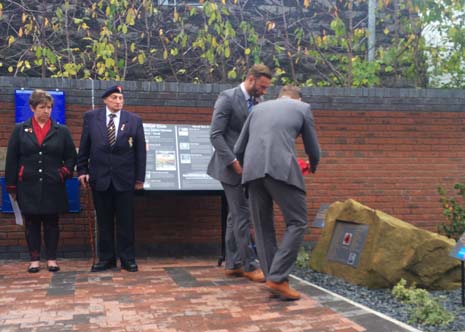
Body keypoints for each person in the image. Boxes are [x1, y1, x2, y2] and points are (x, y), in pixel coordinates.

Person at [234, 85, 321, 300]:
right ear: (298, 99)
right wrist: (314, 165)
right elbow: (313, 149)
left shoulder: (257, 109)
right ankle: (278, 276)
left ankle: (274, 277)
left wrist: (250, 167)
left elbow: (238, 148)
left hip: (252, 173)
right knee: (298, 221)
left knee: (263, 226)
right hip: (281, 170)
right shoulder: (303, 108)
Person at [207, 64, 272, 282]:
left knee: (235, 216)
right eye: (261, 87)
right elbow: (216, 135)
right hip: (231, 168)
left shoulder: (258, 102)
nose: (264, 92)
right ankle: (249, 265)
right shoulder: (227, 98)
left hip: (250, 167)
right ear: (251, 79)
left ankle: (233, 263)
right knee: (243, 215)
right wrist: (234, 162)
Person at [5, 89, 77, 273]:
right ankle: (34, 259)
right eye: (42, 107)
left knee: (52, 222)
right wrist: (11, 185)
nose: (46, 111)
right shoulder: (20, 130)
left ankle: (52, 259)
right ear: (32, 107)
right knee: (32, 222)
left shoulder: (61, 131)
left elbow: (71, 157)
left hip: (53, 184)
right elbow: (12, 159)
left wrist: (63, 173)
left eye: (49, 107)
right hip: (28, 184)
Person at [77, 85, 146, 272]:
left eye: (121, 98)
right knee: (104, 221)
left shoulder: (134, 120)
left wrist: (140, 178)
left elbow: (140, 151)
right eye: (114, 97)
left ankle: (127, 258)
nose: (118, 101)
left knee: (126, 221)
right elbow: (85, 146)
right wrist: (82, 169)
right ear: (105, 100)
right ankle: (106, 258)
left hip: (125, 179)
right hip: (100, 178)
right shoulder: (91, 118)